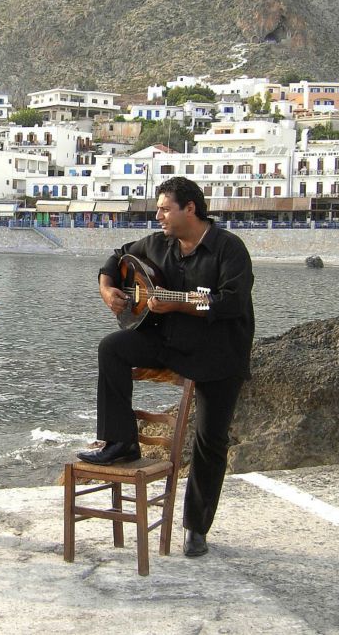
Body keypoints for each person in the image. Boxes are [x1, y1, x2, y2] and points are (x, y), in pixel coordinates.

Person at [78, 177, 254, 558]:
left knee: (210, 441)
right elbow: (116, 258)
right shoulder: (158, 243)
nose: (157, 215)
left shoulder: (228, 249)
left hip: (218, 352)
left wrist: (181, 305)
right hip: (169, 341)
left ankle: (196, 527)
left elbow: (229, 305)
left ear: (189, 209)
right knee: (112, 348)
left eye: (164, 208)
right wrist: (108, 290)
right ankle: (120, 441)